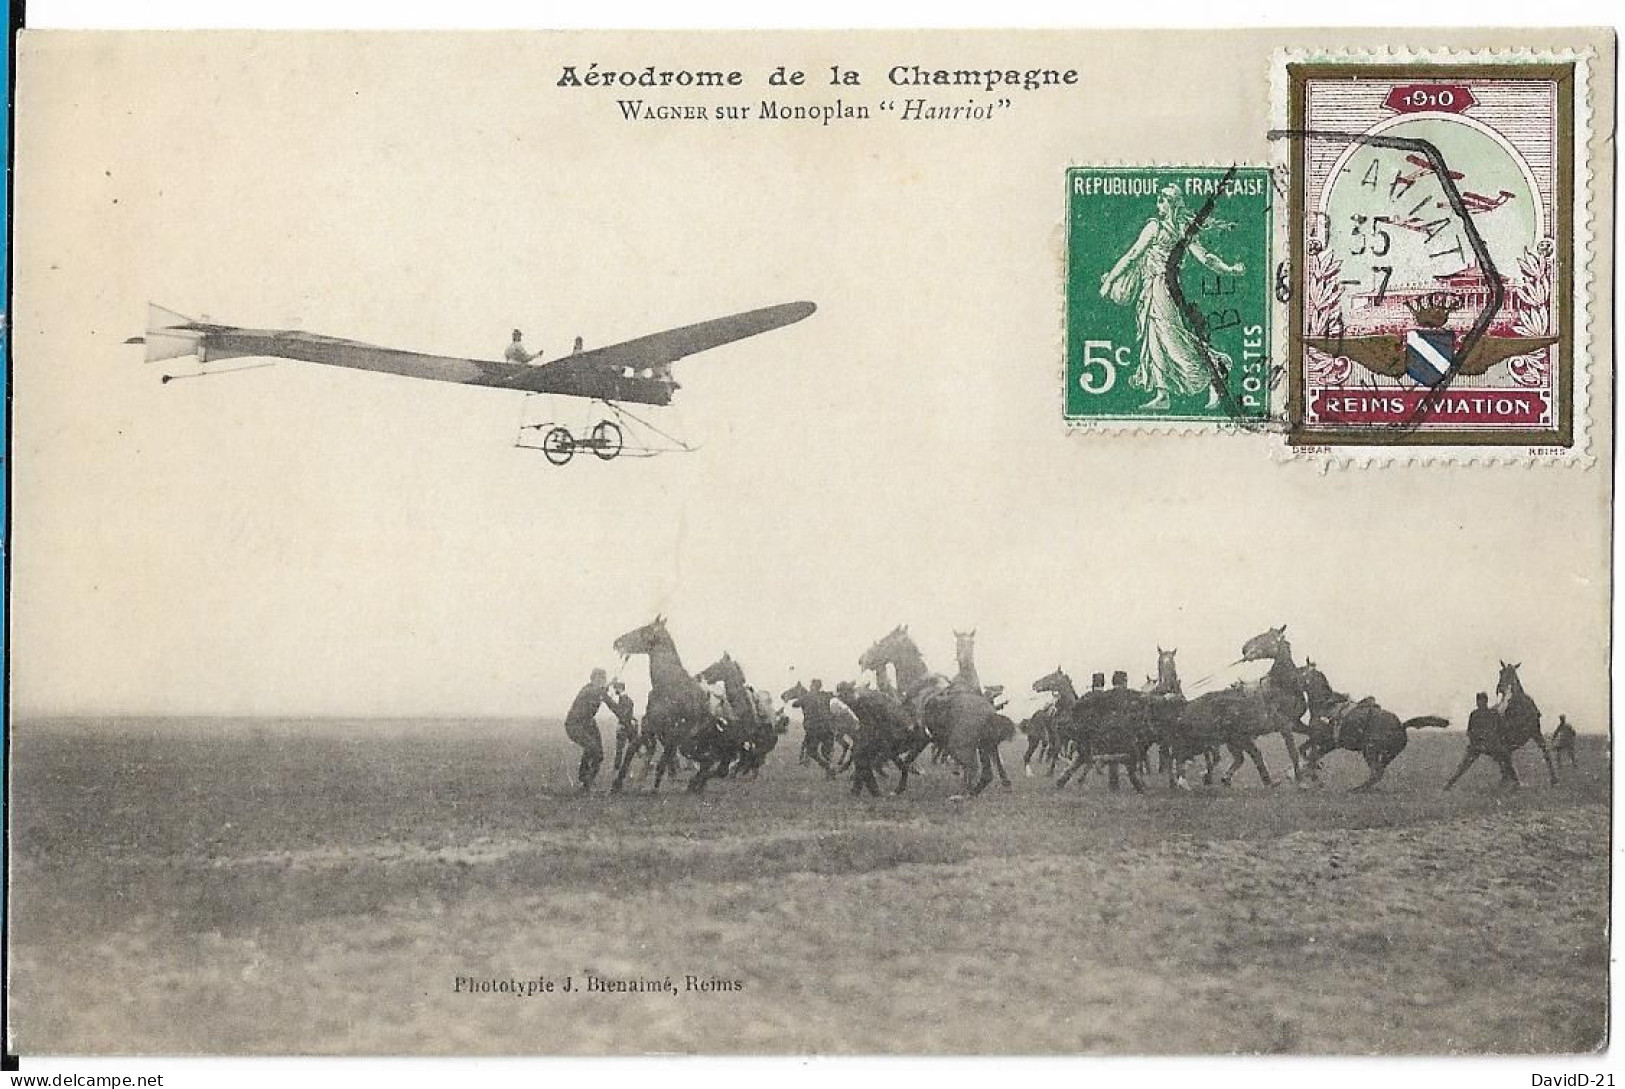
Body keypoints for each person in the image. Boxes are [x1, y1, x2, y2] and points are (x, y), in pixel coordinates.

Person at [1099, 185, 1245, 411]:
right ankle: (1162, 394)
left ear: (1172, 204)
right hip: (1152, 288)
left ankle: (1213, 373)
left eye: (1163, 199)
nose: (1159, 202)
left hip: (1161, 288)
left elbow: (1203, 257)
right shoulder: (1167, 227)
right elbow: (1133, 256)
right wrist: (1230, 269)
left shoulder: (1160, 228)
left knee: (1171, 337)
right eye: (1159, 198)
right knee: (1154, 338)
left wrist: (1228, 269)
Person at [564, 668, 612, 792]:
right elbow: (593, 692)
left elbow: (612, 705)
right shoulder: (587, 690)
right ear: (592, 679)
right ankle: (585, 781)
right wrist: (607, 687)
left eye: (603, 679)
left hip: (588, 723)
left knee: (599, 754)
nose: (602, 681)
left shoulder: (599, 691)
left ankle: (586, 782)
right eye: (599, 678)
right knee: (592, 748)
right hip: (574, 724)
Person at [607, 680, 640, 773]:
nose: (615, 690)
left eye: (616, 688)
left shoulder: (624, 699)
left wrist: (621, 724)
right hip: (630, 725)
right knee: (634, 746)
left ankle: (617, 767)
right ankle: (647, 762)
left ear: (620, 688)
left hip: (625, 726)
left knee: (620, 748)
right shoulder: (626, 699)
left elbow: (623, 714)